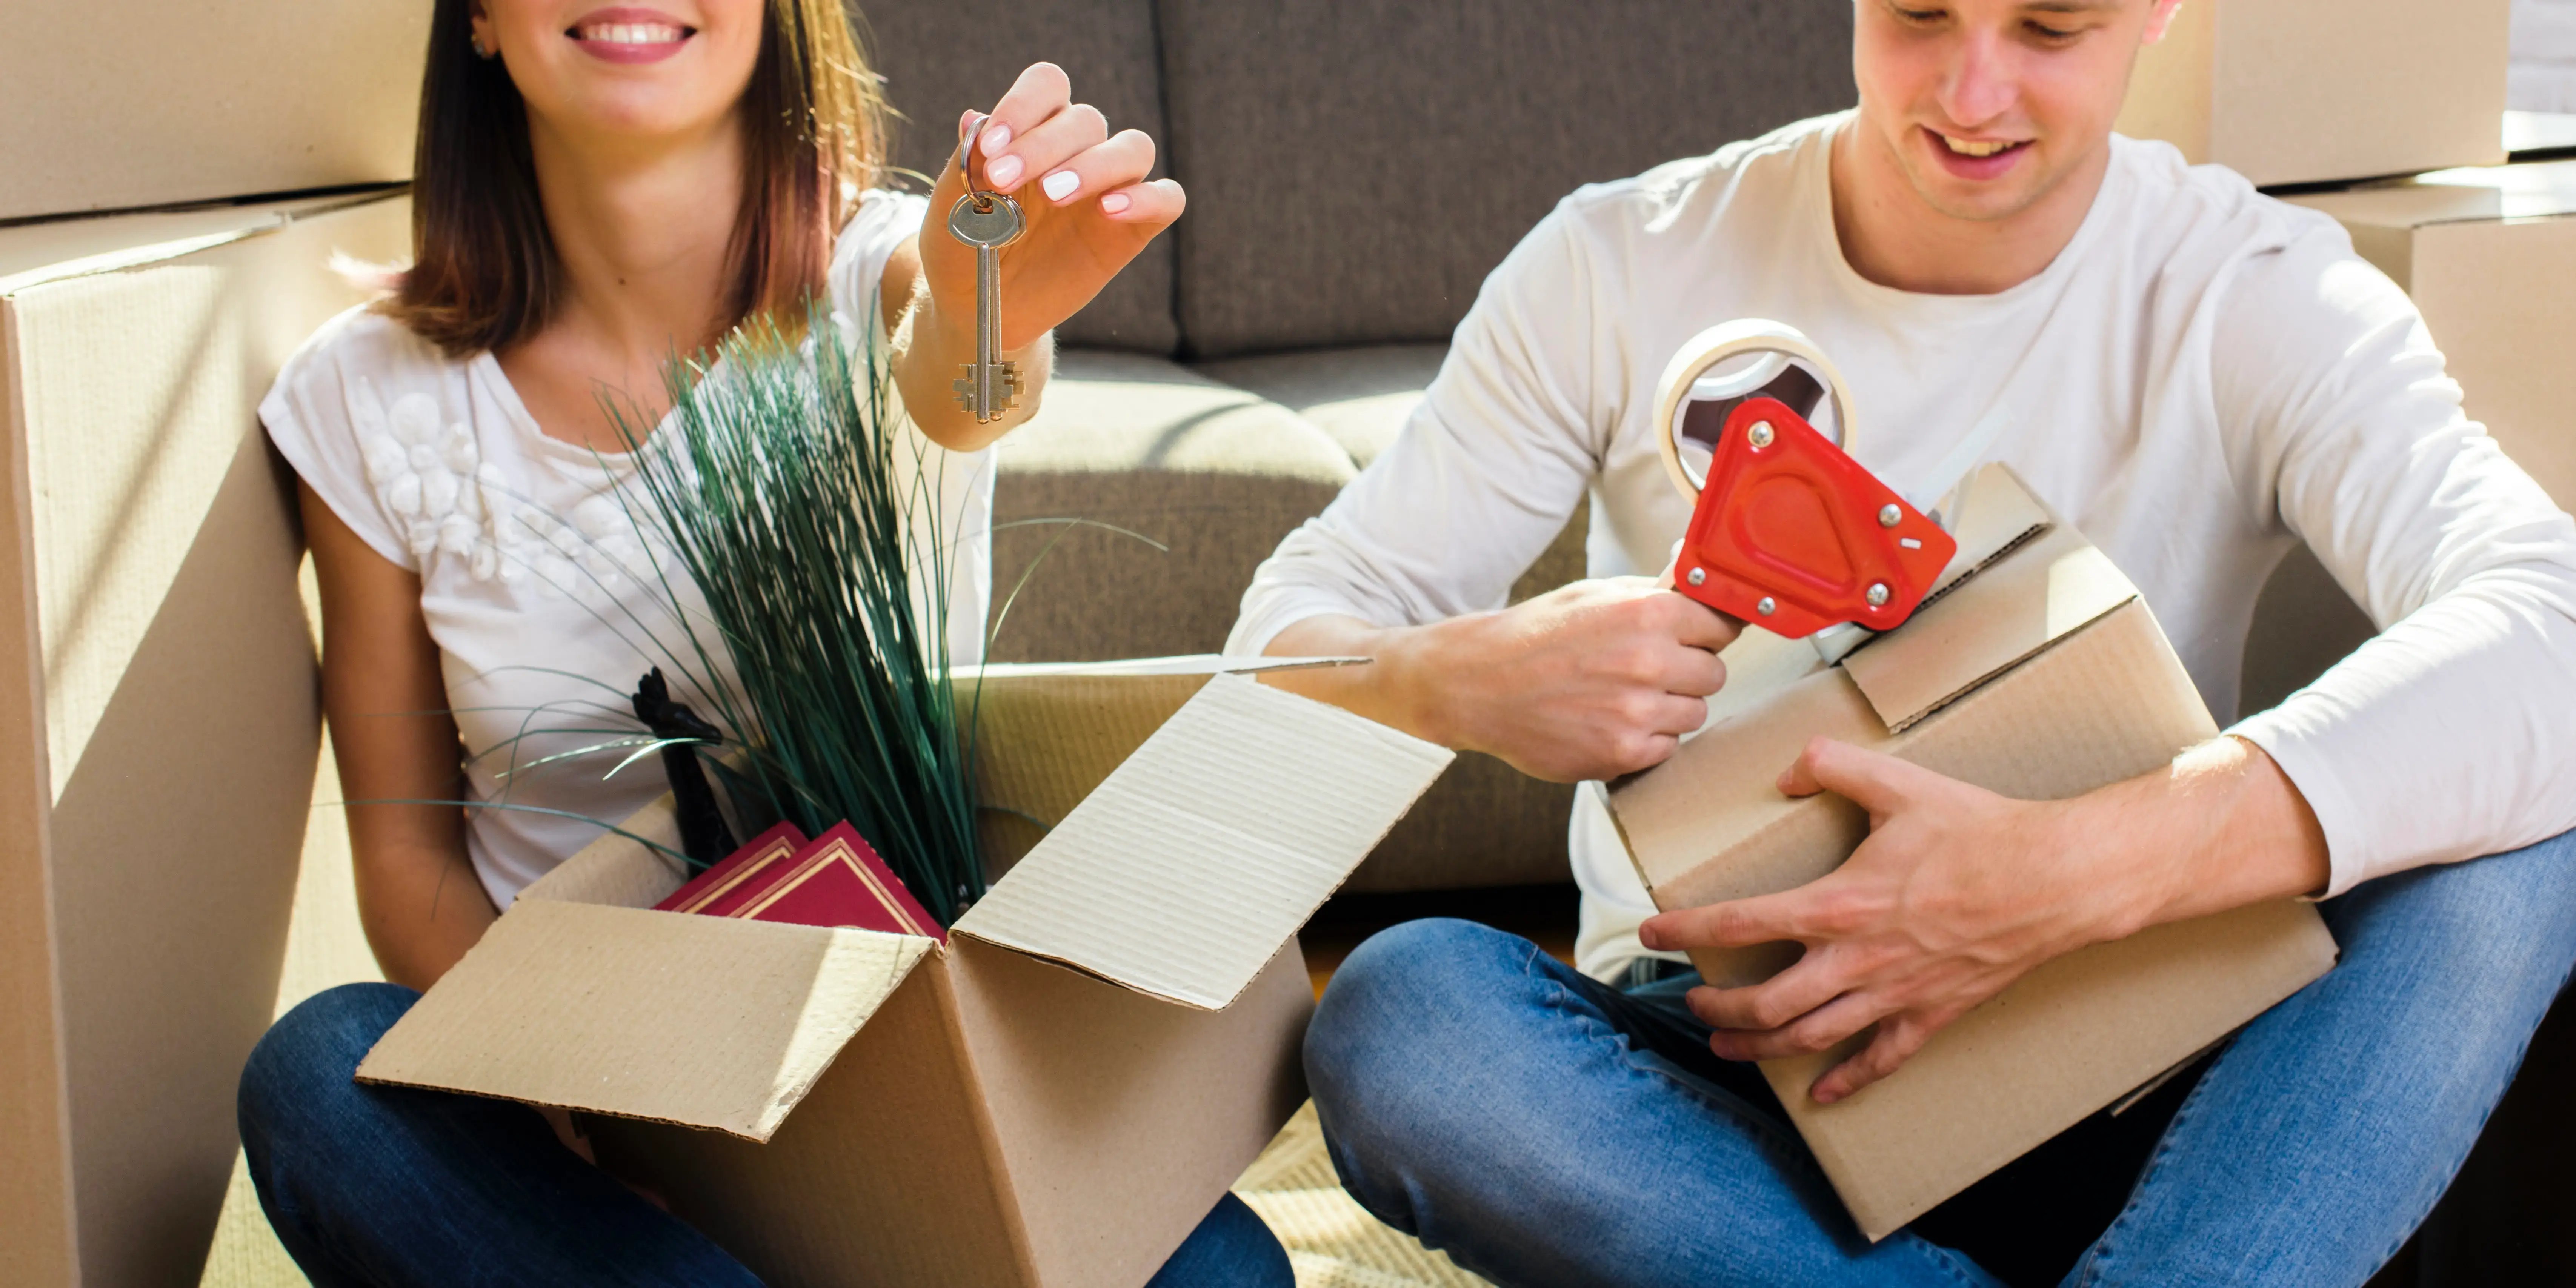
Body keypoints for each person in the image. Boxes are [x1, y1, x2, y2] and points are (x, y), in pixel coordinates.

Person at [1232, 1, 2576, 1283]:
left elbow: (2551, 626)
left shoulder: (2244, 285)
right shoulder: (1622, 258)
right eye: (1919, 16)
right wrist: (1440, 681)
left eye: (2050, 28)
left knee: (2524, 836)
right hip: (1732, 1099)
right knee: (1407, 1017)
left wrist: (2062, 878)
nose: (1970, 93)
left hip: (2149, 1076)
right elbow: (1279, 655)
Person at [235, 2, 1290, 1284]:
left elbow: (967, 381)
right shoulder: (366, 395)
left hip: (912, 1094)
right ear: (479, 22)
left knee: (1223, 1273)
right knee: (320, 1072)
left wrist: (988, 316)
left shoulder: (894, 267)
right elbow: (407, 856)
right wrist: (605, 1123)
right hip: (592, 1134)